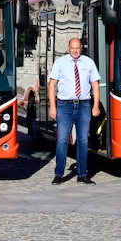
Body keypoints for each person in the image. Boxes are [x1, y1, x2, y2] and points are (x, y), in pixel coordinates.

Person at [47, 37, 101, 184]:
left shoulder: (88, 62)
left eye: (78, 48)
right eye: (73, 48)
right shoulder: (60, 62)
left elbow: (95, 85)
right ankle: (59, 174)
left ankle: (82, 174)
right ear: (68, 48)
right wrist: (53, 107)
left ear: (81, 48)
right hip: (65, 106)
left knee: (83, 141)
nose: (75, 51)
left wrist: (95, 106)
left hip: (84, 105)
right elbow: (52, 85)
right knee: (62, 140)